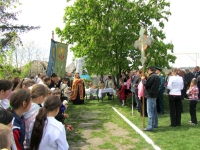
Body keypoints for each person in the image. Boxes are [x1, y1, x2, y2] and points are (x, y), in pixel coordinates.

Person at [23, 84, 48, 149]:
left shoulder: (24, 106)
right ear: (41, 97)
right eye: (45, 97)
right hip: (33, 142)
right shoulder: (39, 112)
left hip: (21, 139)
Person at [141, 66, 160, 131]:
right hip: (154, 95)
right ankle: (155, 124)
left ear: (149, 70)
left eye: (148, 70)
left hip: (150, 95)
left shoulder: (152, 77)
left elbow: (146, 85)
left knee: (150, 112)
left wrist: (143, 80)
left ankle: (150, 126)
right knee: (154, 111)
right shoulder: (157, 76)